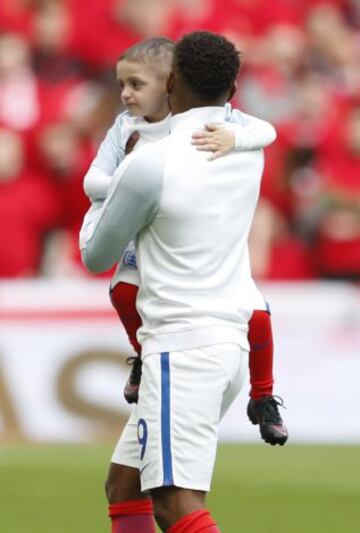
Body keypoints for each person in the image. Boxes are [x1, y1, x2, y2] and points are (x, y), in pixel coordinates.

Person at [81, 31, 284, 533]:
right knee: (124, 484)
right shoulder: (244, 145)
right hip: (229, 344)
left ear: (169, 81)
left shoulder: (151, 162)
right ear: (234, 86)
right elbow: (262, 129)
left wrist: (102, 198)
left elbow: (95, 256)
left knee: (175, 503)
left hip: (182, 347)